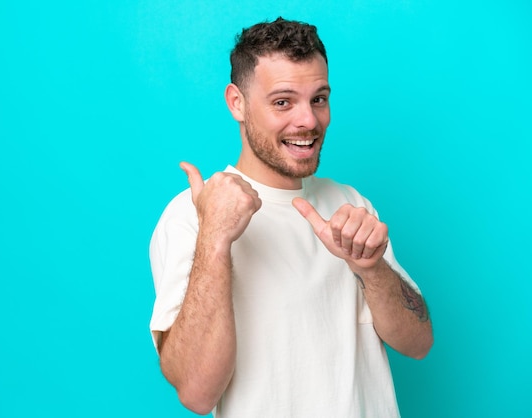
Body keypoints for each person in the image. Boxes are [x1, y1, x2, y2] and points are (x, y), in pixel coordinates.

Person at [149, 17, 433, 417]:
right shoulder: (192, 215)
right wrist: (214, 235)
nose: (309, 121)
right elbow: (197, 393)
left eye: (319, 98)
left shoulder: (350, 203)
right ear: (237, 103)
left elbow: (419, 343)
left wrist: (371, 270)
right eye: (283, 101)